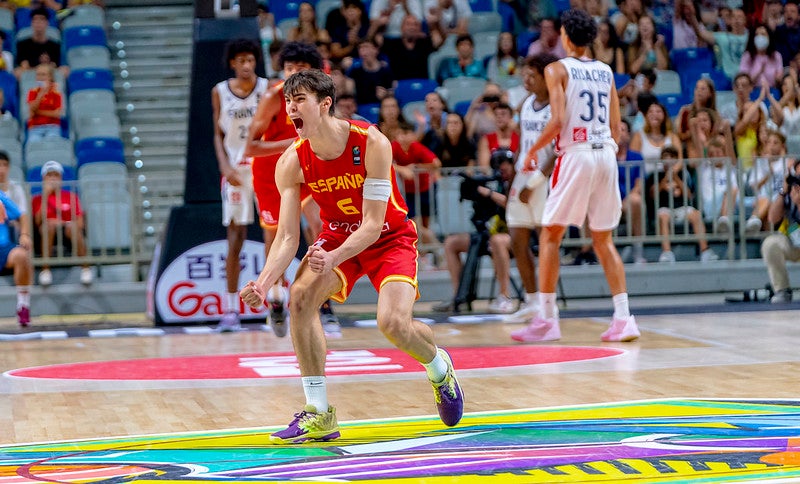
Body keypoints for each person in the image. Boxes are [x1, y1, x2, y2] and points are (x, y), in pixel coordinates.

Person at [240, 69, 464, 443]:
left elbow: (374, 224)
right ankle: (318, 412)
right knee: (299, 298)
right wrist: (263, 285)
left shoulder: (371, 142)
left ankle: (439, 367)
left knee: (393, 324)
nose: (291, 109)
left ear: (325, 104)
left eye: (300, 101)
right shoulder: (291, 161)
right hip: (337, 237)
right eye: (288, 102)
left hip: (388, 238)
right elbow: (286, 236)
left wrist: (333, 257)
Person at [510, 9, 640, 343]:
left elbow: (557, 121)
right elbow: (615, 127)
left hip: (577, 153)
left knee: (551, 234)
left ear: (566, 36)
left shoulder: (556, 68)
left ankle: (547, 319)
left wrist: (530, 151)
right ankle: (624, 318)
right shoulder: (606, 71)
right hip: (606, 153)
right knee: (603, 238)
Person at [244, 41, 339, 338]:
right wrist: (292, 144)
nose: (293, 74)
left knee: (320, 227)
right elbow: (251, 146)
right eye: (288, 69)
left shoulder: (320, 96)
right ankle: (274, 297)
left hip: (307, 166)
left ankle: (324, 305)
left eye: (300, 69)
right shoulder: (274, 97)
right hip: (272, 172)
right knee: (275, 238)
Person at [211, 39, 268, 332]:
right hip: (235, 171)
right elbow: (217, 134)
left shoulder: (268, 88)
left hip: (266, 168)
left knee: (275, 234)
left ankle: (278, 302)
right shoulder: (220, 91)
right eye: (241, 61)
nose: (247, 66)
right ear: (232, 63)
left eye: (251, 60)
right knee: (235, 238)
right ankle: (231, 310)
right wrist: (224, 165)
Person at [502, 53, 557, 324]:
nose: (526, 79)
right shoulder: (526, 105)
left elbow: (556, 152)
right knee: (516, 238)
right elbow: (524, 142)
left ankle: (549, 305)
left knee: (547, 242)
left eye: (532, 75)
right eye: (524, 74)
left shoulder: (556, 108)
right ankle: (532, 300)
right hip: (524, 176)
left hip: (545, 180)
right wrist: (516, 168)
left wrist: (534, 183)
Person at [647, 146, 718, 263]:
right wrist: (666, 177)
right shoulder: (655, 175)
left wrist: (675, 177)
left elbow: (689, 194)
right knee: (663, 216)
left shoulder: (684, 174)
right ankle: (667, 253)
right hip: (664, 208)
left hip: (681, 208)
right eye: (666, 157)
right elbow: (653, 194)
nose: (669, 160)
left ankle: (705, 251)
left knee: (696, 215)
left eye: (671, 157)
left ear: (676, 160)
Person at [31, 160, 93, 287]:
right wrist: (46, 196)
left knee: (73, 227)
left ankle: (86, 269)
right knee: (48, 226)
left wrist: (61, 222)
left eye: (56, 175)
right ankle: (45, 270)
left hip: (67, 232)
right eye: (49, 175)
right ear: (43, 178)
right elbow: (37, 222)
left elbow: (80, 223)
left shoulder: (71, 196)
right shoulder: (37, 198)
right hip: (46, 234)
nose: (53, 178)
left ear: (61, 178)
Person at [761, 161, 800, 303]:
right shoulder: (790, 193)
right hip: (793, 241)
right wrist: (783, 192)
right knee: (771, 243)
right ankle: (782, 289)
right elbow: (772, 218)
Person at [0, 188, 32, 327]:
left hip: (4, 248)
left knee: (21, 255)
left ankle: (23, 306)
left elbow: (21, 215)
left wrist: (24, 234)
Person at [381, 14, 443, 81]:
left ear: (420, 28)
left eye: (415, 24)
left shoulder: (425, 43)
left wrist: (435, 25)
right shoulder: (392, 44)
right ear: (402, 27)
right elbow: (372, 40)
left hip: (422, 84)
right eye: (408, 24)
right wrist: (378, 24)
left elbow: (439, 40)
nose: (412, 27)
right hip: (398, 85)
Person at [14, 7, 61, 77]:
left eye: (41, 19)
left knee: (65, 69)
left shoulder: (54, 45)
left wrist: (46, 65)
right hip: (29, 75)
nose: (38, 22)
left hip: (48, 75)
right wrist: (43, 67)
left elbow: (54, 65)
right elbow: (24, 66)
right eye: (35, 19)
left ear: (47, 23)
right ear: (31, 23)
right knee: (17, 71)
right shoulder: (23, 44)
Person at [26, 63, 63, 144]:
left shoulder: (56, 93)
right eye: (38, 75)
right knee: (33, 143)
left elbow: (57, 114)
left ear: (50, 77)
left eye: (43, 75)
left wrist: (38, 112)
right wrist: (41, 93)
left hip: (53, 127)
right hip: (35, 127)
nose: (40, 78)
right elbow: (31, 112)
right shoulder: (32, 92)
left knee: (53, 143)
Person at [739, 23, 783, 89]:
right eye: (757, 35)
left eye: (763, 34)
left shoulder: (776, 56)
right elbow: (743, 80)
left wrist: (778, 78)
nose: (760, 37)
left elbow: (779, 79)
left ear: (769, 38)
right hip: (752, 91)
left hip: (772, 91)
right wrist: (759, 72)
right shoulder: (747, 56)